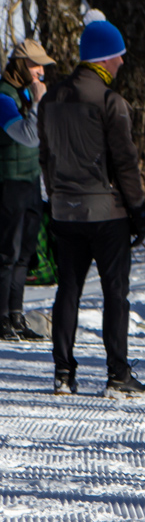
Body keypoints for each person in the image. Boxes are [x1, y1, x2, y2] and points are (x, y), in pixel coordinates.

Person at [38, 16, 145, 396]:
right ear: (103, 58)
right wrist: (137, 209)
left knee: (68, 290)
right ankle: (118, 375)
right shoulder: (109, 102)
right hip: (106, 214)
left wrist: (55, 197)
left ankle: (63, 374)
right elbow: (125, 162)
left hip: (65, 211)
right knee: (115, 293)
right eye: (118, 55)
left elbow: (45, 157)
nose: (122, 62)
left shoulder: (51, 99)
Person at [0, 39, 52, 341]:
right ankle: (2, 318)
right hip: (8, 181)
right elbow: (28, 136)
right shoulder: (4, 97)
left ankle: (16, 316)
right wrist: (39, 101)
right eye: (35, 65)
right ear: (20, 65)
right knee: (7, 251)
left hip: (31, 180)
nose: (41, 71)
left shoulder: (25, 93)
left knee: (25, 253)